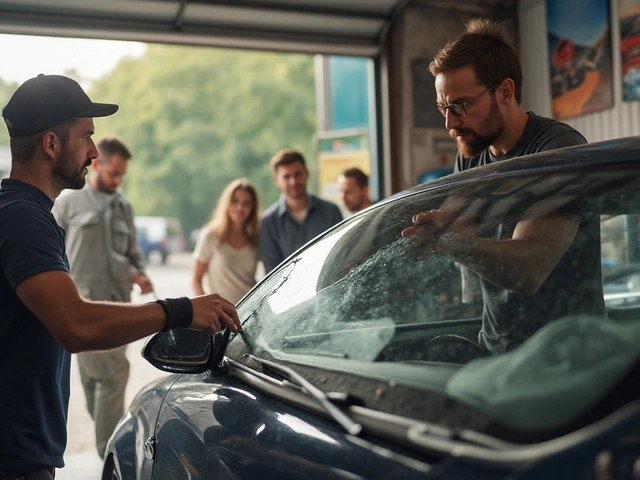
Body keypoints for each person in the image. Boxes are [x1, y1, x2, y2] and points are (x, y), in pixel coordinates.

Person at [0, 74, 241, 478]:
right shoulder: (24, 219)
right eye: (86, 136)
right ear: (51, 143)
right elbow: (76, 325)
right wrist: (180, 311)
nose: (95, 151)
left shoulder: (22, 211)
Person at [401, 18, 605, 356]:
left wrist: (456, 245)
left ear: (505, 92)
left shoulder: (556, 149)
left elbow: (529, 268)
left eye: (460, 105)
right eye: (443, 108)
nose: (450, 123)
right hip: (499, 352)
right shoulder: (471, 153)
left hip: (568, 361)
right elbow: (449, 228)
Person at [51, 136, 152, 459]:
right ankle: (108, 450)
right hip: (82, 306)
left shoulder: (124, 206)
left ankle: (110, 454)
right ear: (97, 165)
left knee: (111, 375)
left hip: (119, 305)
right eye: (114, 173)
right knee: (94, 380)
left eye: (123, 174)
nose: (118, 180)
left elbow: (133, 252)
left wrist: (140, 271)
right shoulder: (67, 202)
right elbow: (52, 251)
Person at [260, 148, 343, 274]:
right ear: (276, 180)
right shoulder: (268, 222)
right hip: (288, 292)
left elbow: (341, 257)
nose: (293, 181)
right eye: (286, 177)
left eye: (297, 174)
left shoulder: (331, 211)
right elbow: (271, 271)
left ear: (306, 173)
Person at [192, 178, 260, 304]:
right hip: (220, 315)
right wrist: (208, 310)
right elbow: (196, 280)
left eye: (246, 203)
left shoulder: (255, 238)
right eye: (235, 201)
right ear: (226, 203)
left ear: (253, 208)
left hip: (250, 310)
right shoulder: (210, 236)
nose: (240, 207)